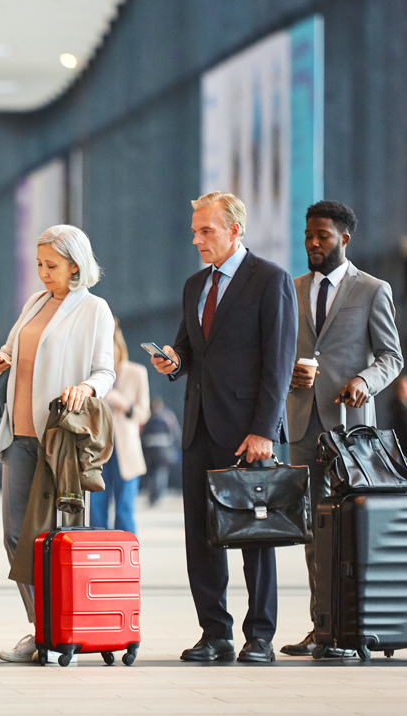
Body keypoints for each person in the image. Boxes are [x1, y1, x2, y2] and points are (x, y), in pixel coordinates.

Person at [151, 191, 297, 664]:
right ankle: (215, 633)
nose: (197, 239)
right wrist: (171, 363)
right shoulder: (195, 285)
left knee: (255, 538)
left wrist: (263, 431)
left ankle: (260, 637)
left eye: (206, 230)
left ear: (235, 230)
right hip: (198, 428)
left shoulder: (270, 280)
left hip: (245, 433)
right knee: (202, 537)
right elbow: (188, 350)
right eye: (194, 231)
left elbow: (277, 364)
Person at [0, 225, 116, 664]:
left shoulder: (94, 309)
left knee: (61, 537)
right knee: (17, 536)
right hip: (19, 432)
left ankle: (67, 631)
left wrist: (86, 388)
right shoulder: (35, 303)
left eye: (51, 265)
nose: (43, 273)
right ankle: (43, 630)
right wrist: (1, 360)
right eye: (39, 264)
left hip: (59, 437)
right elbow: (18, 350)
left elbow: (105, 372)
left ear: (76, 265)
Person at [279, 201, 403, 658]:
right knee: (313, 530)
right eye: (309, 235)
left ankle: (353, 628)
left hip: (350, 432)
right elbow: (276, 352)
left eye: (323, 236)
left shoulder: (372, 289)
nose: (313, 243)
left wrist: (362, 383)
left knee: (350, 528)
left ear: (344, 238)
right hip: (302, 424)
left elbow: (392, 357)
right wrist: (289, 371)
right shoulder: (290, 290)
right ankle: (323, 626)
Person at [91, 320, 150, 534]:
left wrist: (123, 403)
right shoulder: (92, 376)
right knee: (96, 509)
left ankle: (126, 559)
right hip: (97, 450)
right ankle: (98, 556)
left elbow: (144, 413)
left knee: (125, 509)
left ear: (119, 348)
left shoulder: (137, 372)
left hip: (127, 451)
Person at [140, 398, 181, 506]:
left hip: (150, 450)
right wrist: (177, 448)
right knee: (160, 472)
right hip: (164, 450)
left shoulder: (148, 416)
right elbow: (176, 433)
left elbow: (143, 434)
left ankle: (153, 495)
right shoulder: (168, 416)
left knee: (153, 473)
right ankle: (157, 495)